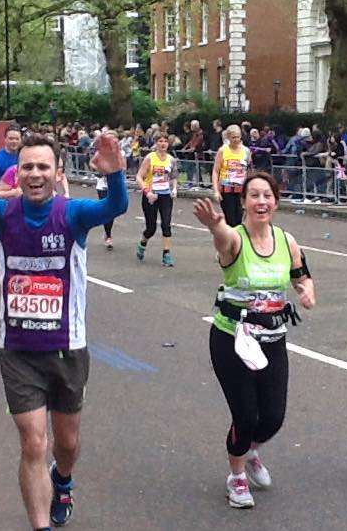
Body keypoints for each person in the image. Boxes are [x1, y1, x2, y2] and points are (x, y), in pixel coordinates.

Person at [0, 127, 127, 531]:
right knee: (33, 442)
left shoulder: (72, 213)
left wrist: (115, 174)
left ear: (57, 171)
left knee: (66, 443)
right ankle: (41, 525)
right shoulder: (1, 214)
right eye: (27, 166)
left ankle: (63, 479)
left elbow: (114, 206)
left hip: (67, 348)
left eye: (43, 166)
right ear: (17, 174)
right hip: (18, 349)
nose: (35, 173)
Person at [192, 172, 315, 509]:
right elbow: (223, 240)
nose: (262, 202)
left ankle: (250, 451)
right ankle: (236, 477)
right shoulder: (235, 238)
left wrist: (306, 290)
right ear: (244, 202)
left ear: (275, 201)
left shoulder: (286, 240)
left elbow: (301, 274)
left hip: (273, 338)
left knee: (273, 417)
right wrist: (214, 225)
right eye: (254, 196)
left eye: (268, 196)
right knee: (245, 416)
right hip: (233, 338)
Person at [135, 133, 178, 266]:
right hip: (151, 196)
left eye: (165, 141)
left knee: (166, 224)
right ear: (156, 143)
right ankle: (143, 243)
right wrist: (147, 192)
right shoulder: (150, 158)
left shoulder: (171, 159)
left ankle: (166, 254)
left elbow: (174, 176)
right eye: (160, 141)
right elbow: (139, 177)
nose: (163, 144)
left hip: (165, 195)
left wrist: (175, 188)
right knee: (151, 228)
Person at [212, 125, 251, 227]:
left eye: (238, 137)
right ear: (228, 138)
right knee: (231, 220)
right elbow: (216, 171)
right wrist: (216, 191)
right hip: (226, 189)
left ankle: (236, 241)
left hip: (241, 189)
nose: (236, 140)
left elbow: (249, 169)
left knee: (239, 219)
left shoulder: (246, 151)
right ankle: (231, 241)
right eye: (233, 137)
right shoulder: (222, 151)